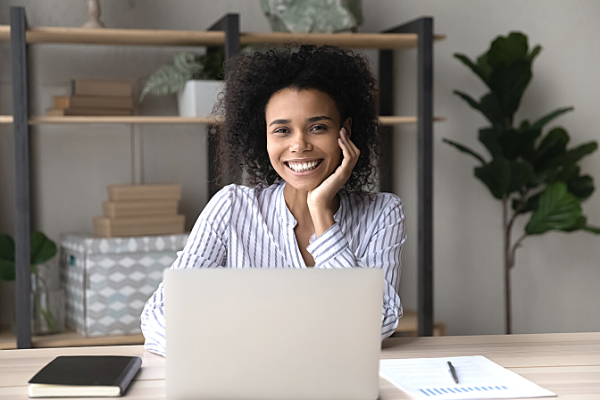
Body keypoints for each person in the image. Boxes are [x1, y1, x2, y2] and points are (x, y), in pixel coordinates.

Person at [141, 45, 406, 357]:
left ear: (344, 132)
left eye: (317, 127)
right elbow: (159, 314)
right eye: (282, 130)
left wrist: (321, 212)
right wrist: (231, 351)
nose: (299, 145)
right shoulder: (231, 208)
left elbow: (375, 324)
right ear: (264, 137)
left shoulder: (383, 213)